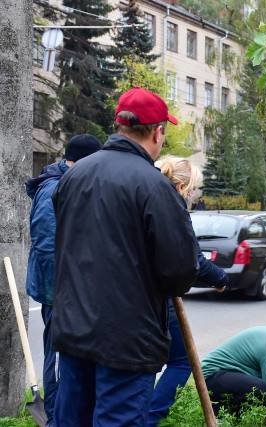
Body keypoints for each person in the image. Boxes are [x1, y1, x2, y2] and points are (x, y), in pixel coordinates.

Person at [51, 87, 200, 426]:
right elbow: (180, 271)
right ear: (157, 131)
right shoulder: (154, 186)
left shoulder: (74, 175)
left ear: (120, 125)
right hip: (127, 341)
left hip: (74, 331)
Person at [25, 133, 101, 423]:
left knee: (67, 353)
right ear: (80, 162)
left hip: (67, 288)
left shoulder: (69, 183)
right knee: (57, 353)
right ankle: (55, 415)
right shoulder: (52, 190)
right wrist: (64, 290)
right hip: (56, 289)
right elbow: (47, 245)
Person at [147, 156, 230, 425]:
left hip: (135, 295)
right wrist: (220, 278)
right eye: (193, 189)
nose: (193, 195)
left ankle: (142, 414)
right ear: (181, 185)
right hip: (159, 297)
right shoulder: (172, 207)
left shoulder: (144, 195)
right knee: (181, 360)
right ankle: (150, 417)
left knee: (146, 362)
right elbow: (193, 261)